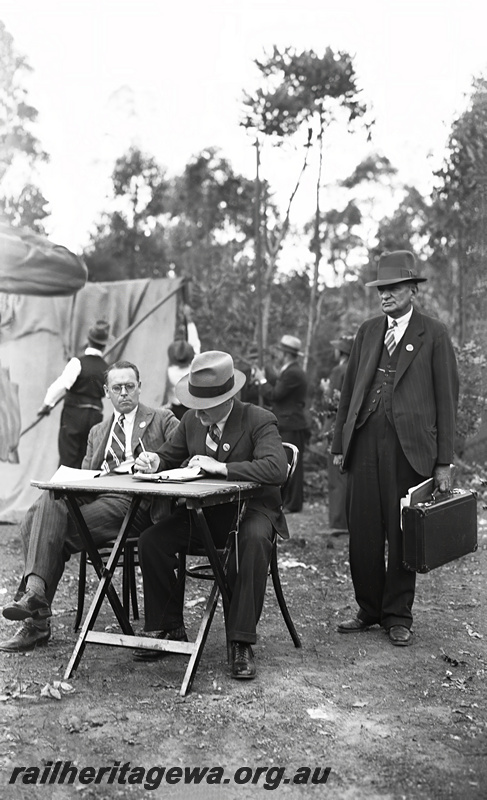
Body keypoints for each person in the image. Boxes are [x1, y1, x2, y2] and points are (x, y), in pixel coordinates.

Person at [0, 361, 179, 653]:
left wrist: (157, 462)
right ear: (107, 392)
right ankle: (35, 598)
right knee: (47, 504)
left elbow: (182, 456)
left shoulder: (163, 419)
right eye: (117, 388)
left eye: (130, 386)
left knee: (39, 528)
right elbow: (85, 477)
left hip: (135, 506)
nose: (124, 393)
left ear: (140, 387)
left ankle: (36, 620)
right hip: (97, 498)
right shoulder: (97, 431)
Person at [133, 350, 289, 680]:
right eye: (194, 401)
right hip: (206, 513)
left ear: (228, 397)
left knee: (252, 541)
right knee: (152, 541)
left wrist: (221, 468)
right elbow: (168, 455)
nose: (198, 411)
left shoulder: (258, 419)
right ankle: (168, 626)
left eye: (206, 403)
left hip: (252, 509)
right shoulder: (192, 420)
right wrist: (154, 462)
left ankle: (241, 642)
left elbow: (276, 468)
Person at [331, 250, 458, 647]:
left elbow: (446, 399)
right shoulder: (368, 331)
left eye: (393, 288)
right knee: (363, 531)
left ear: (412, 291)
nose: (385, 295)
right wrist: (340, 444)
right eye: (381, 289)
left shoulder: (433, 333)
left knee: (402, 534)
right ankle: (369, 609)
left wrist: (443, 462)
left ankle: (397, 615)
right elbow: (350, 391)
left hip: (410, 450)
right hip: (365, 442)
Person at [37, 320, 111, 469]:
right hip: (95, 417)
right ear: (104, 345)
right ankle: (80, 492)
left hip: (74, 415)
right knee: (86, 459)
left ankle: (64, 492)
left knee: (68, 458)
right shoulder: (107, 369)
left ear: (88, 340)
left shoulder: (77, 363)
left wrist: (46, 405)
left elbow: (61, 385)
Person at [254, 335, 309, 513]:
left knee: (291, 463)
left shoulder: (293, 372)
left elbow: (276, 394)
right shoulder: (289, 370)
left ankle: (293, 503)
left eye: (279, 351)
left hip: (291, 423)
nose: (277, 354)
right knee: (288, 462)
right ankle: (290, 502)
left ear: (285, 353)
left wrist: (262, 380)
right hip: (289, 422)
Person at [321, 334, 355, 536]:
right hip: (351, 428)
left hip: (336, 426)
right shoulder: (356, 368)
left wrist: (325, 389)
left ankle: (338, 522)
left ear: (341, 351)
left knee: (336, 476)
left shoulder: (339, 370)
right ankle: (348, 520)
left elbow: (330, 403)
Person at [163, 304, 201, 420]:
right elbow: (195, 342)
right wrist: (189, 319)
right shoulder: (195, 367)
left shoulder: (170, 372)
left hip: (177, 409)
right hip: (194, 407)